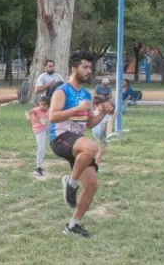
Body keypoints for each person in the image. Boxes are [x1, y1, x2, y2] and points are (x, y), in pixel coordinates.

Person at [49, 50, 114, 238]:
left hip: (77, 142)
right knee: (93, 147)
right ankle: (71, 183)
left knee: (92, 185)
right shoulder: (62, 90)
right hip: (60, 137)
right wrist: (76, 109)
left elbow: (88, 124)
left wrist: (103, 112)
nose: (88, 71)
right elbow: (52, 116)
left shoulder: (86, 94)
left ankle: (72, 225)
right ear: (74, 68)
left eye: (90, 68)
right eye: (85, 67)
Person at [26, 94, 51, 179]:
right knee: (41, 148)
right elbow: (27, 112)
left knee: (43, 147)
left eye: (44, 105)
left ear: (48, 105)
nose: (42, 106)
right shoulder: (36, 110)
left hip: (45, 128)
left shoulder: (49, 110)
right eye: (41, 104)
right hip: (39, 130)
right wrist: (28, 117)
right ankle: (38, 167)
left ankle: (40, 165)